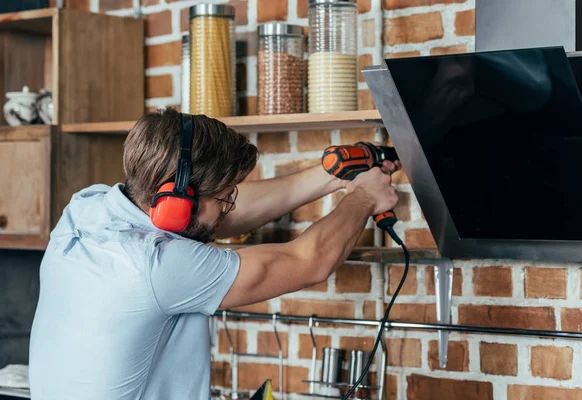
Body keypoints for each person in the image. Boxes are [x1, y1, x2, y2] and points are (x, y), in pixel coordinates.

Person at [28, 107, 400, 400]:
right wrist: (365, 197)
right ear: (178, 198)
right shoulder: (154, 266)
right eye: (225, 195)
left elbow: (211, 217)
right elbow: (308, 262)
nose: (228, 207)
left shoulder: (87, 208)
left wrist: (330, 175)